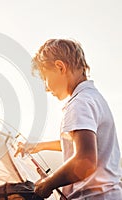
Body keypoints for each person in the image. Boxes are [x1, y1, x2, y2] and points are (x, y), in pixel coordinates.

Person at [15, 39, 122, 199]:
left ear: (60, 67)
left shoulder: (79, 103)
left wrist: (48, 183)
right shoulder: (92, 97)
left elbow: (85, 160)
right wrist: (40, 146)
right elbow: (80, 144)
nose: (45, 87)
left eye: (45, 78)